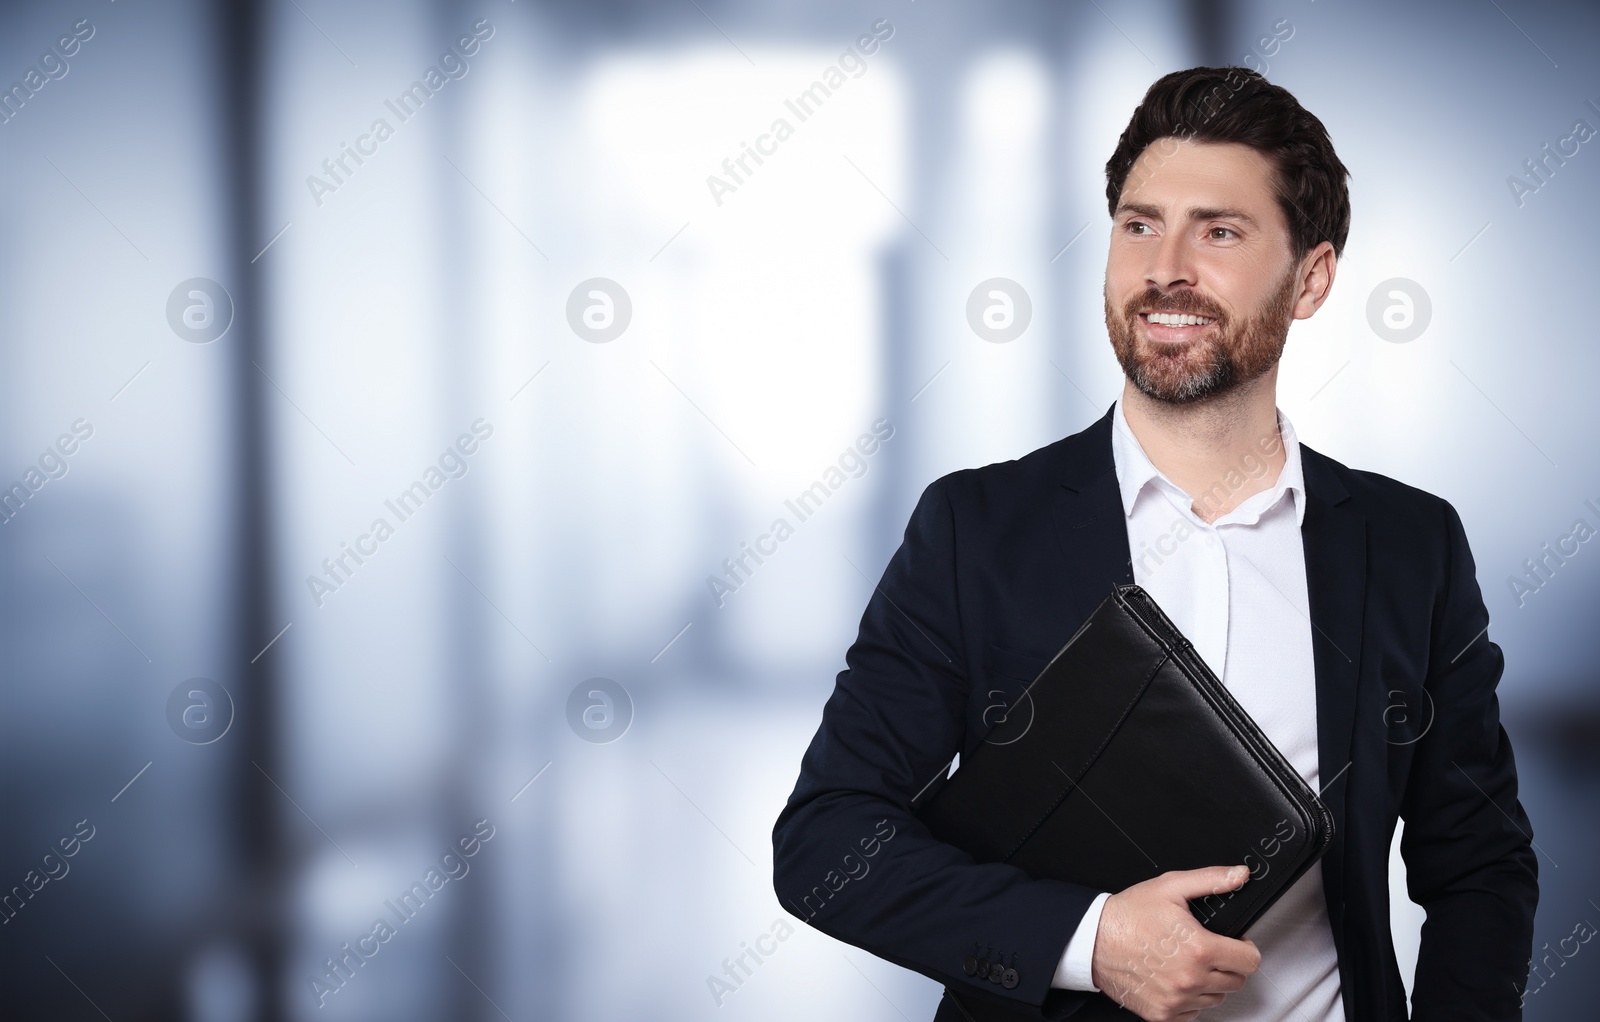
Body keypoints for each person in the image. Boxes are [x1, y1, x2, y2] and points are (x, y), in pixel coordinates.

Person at [771, 66, 1537, 1022]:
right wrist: (1088, 942)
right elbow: (826, 843)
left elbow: (1480, 862)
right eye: (1139, 224)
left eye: (1218, 231)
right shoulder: (976, 530)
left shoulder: (1411, 543)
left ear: (1311, 279)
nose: (1164, 265)